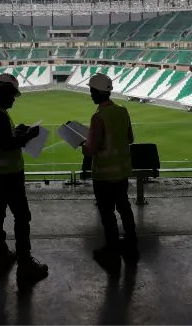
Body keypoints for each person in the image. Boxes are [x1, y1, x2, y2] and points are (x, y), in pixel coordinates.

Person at [0, 73, 49, 284]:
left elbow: (4, 137)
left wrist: (17, 131)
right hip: (8, 176)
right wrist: (29, 135)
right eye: (12, 95)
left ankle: (2, 255)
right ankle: (25, 264)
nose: (14, 99)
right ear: (4, 92)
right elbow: (6, 144)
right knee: (22, 217)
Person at [80, 73, 138, 269]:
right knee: (124, 208)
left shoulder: (98, 117)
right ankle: (131, 242)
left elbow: (92, 149)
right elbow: (130, 138)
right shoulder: (122, 111)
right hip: (122, 172)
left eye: (91, 91)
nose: (90, 95)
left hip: (104, 175)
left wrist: (83, 145)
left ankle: (112, 249)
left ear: (97, 92)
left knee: (107, 213)